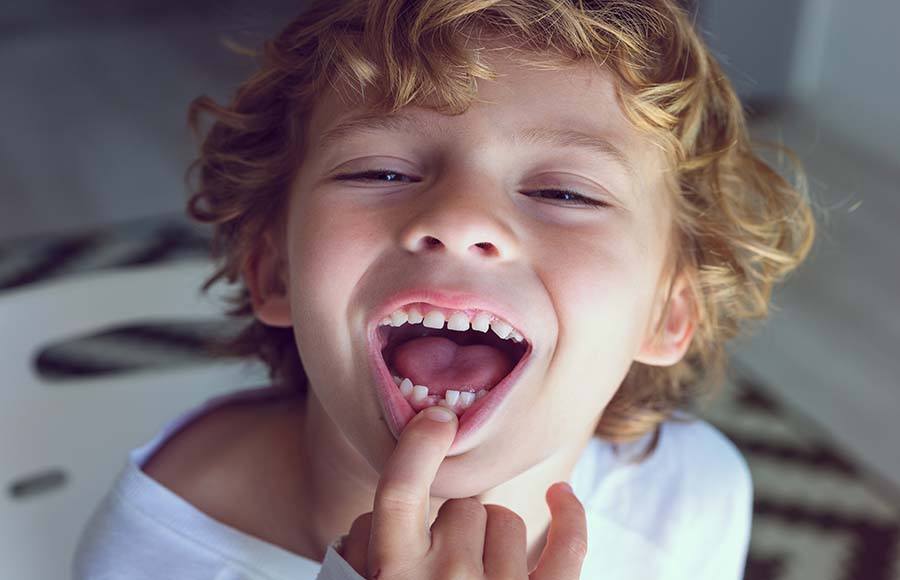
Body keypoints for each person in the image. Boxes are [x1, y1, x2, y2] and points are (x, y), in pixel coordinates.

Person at [73, 0, 816, 578]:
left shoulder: (690, 497)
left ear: (668, 311)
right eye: (382, 172)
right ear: (276, 272)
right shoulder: (159, 552)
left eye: (564, 191)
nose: (459, 220)